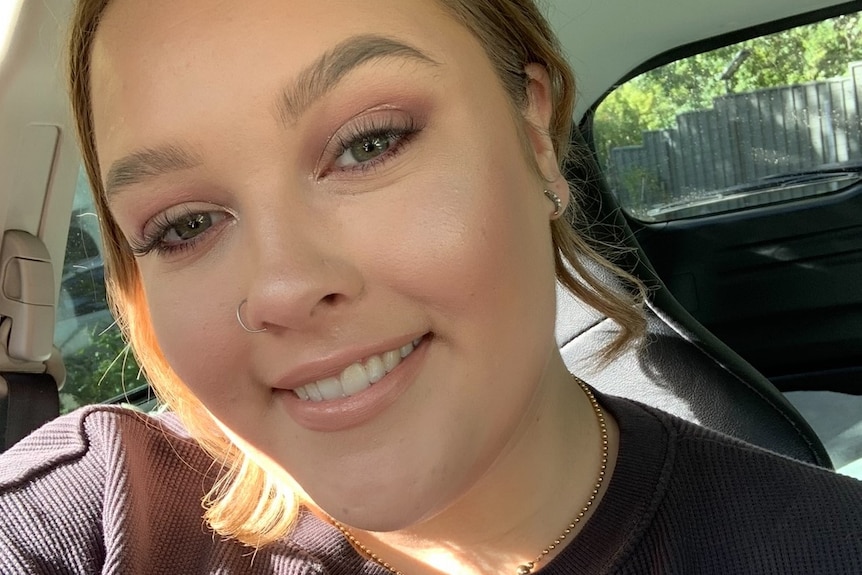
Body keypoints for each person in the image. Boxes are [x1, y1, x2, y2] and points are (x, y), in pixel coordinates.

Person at [1, 0, 861, 573]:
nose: (285, 286)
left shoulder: (823, 546)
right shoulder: (103, 516)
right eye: (182, 225)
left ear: (533, 130)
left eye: (370, 143)